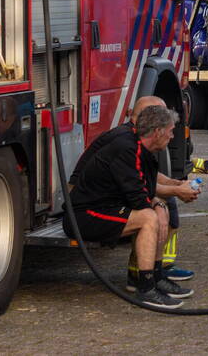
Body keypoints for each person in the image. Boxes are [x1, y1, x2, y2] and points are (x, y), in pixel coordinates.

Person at [65, 104, 190, 309]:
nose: (172, 135)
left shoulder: (140, 148)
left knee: (157, 212)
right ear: (157, 132)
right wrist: (158, 205)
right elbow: (139, 198)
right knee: (149, 218)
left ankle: (156, 277)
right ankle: (146, 288)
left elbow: (146, 188)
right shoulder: (127, 149)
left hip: (106, 208)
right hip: (85, 215)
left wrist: (161, 202)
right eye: (170, 131)